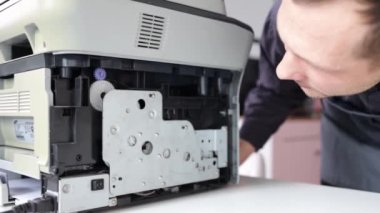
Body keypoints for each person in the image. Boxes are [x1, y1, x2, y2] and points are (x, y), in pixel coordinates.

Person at [240, 0, 380, 193]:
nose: (282, 70)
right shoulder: (289, 13)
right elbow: (274, 90)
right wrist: (240, 146)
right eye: (286, 45)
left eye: (314, 64)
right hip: (347, 133)